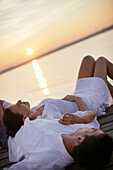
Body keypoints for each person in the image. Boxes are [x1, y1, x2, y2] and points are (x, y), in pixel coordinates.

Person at [0, 56, 113, 170]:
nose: (94, 128)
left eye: (94, 131)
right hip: (87, 98)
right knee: (93, 60)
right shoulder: (78, 128)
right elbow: (90, 114)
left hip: (11, 140)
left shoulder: (46, 158)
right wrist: (80, 111)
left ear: (79, 139)